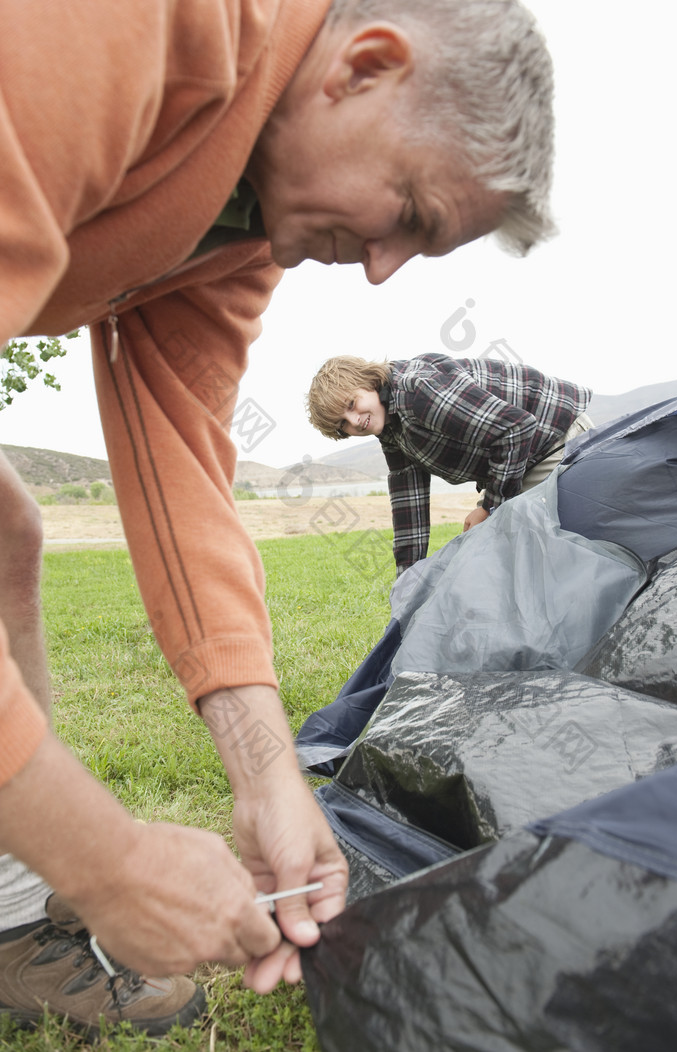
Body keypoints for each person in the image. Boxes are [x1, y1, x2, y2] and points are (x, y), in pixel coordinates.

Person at [0, 0, 556, 1033]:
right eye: (411, 213)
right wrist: (104, 856)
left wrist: (265, 770)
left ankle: (5, 915)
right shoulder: (141, 27)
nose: (383, 268)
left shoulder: (246, 230)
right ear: (365, 67)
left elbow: (181, 471)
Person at [306, 353, 592, 572]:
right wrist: (407, 580)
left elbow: (516, 429)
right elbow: (409, 504)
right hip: (524, 458)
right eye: (343, 424)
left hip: (556, 439)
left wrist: (488, 506)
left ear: (367, 383)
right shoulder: (391, 429)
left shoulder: (418, 392)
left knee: (538, 558)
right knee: (509, 555)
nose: (355, 421)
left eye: (351, 405)